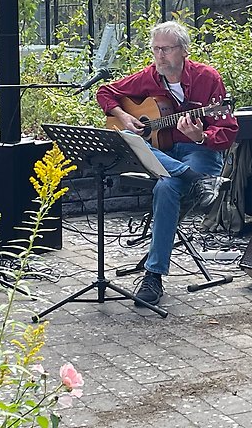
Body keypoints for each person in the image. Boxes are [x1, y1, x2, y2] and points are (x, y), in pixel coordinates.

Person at [96, 20, 238, 306]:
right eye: (155, 49)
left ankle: (153, 276)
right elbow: (105, 92)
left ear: (184, 51)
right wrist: (124, 117)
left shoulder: (207, 78)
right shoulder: (149, 77)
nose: (159, 56)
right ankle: (193, 181)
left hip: (200, 153)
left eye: (166, 49)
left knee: (165, 187)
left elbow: (227, 131)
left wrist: (200, 136)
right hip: (169, 156)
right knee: (128, 138)